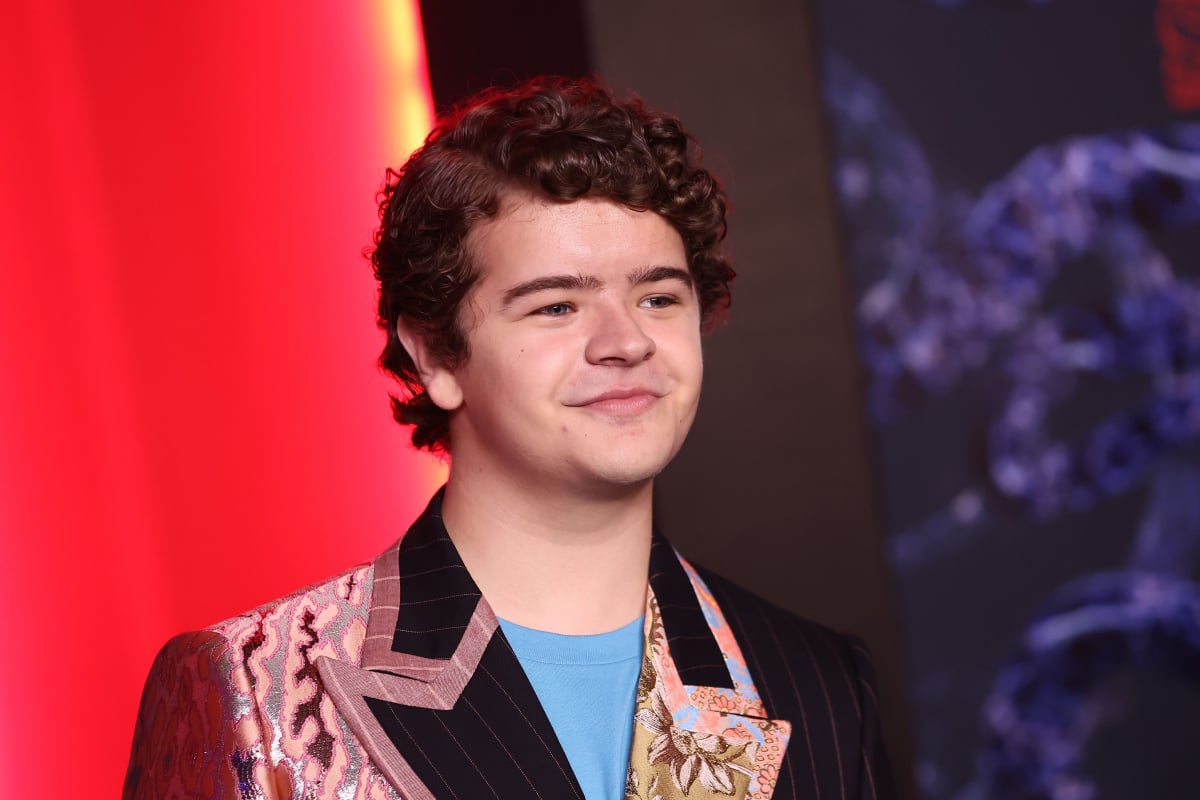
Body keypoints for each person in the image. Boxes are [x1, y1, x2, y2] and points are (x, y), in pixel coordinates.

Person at [124, 76, 895, 800]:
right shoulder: (256, 685)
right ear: (434, 354)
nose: (625, 341)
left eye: (659, 297)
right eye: (557, 307)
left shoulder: (815, 682)